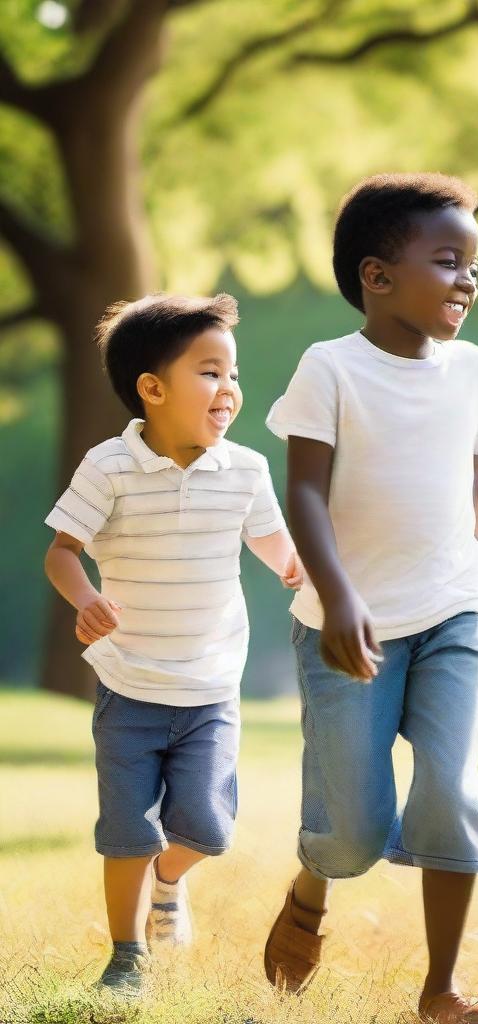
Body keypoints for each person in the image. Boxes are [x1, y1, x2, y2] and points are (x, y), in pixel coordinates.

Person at [262, 173, 478, 1024]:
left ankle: (441, 990)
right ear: (378, 276)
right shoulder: (329, 368)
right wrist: (337, 598)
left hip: (453, 612)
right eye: (448, 262)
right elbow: (303, 492)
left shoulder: (477, 372)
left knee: (451, 792)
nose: (467, 283)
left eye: (474, 267)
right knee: (355, 833)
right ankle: (313, 884)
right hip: (347, 627)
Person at [44, 292, 301, 997]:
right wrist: (87, 598)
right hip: (128, 682)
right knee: (127, 827)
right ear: (152, 390)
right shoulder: (109, 468)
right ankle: (125, 956)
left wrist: (292, 565)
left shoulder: (244, 469)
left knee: (208, 829)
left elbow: (273, 540)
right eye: (210, 372)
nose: (230, 389)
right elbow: (63, 552)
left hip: (212, 684)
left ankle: (170, 881)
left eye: (233, 373)